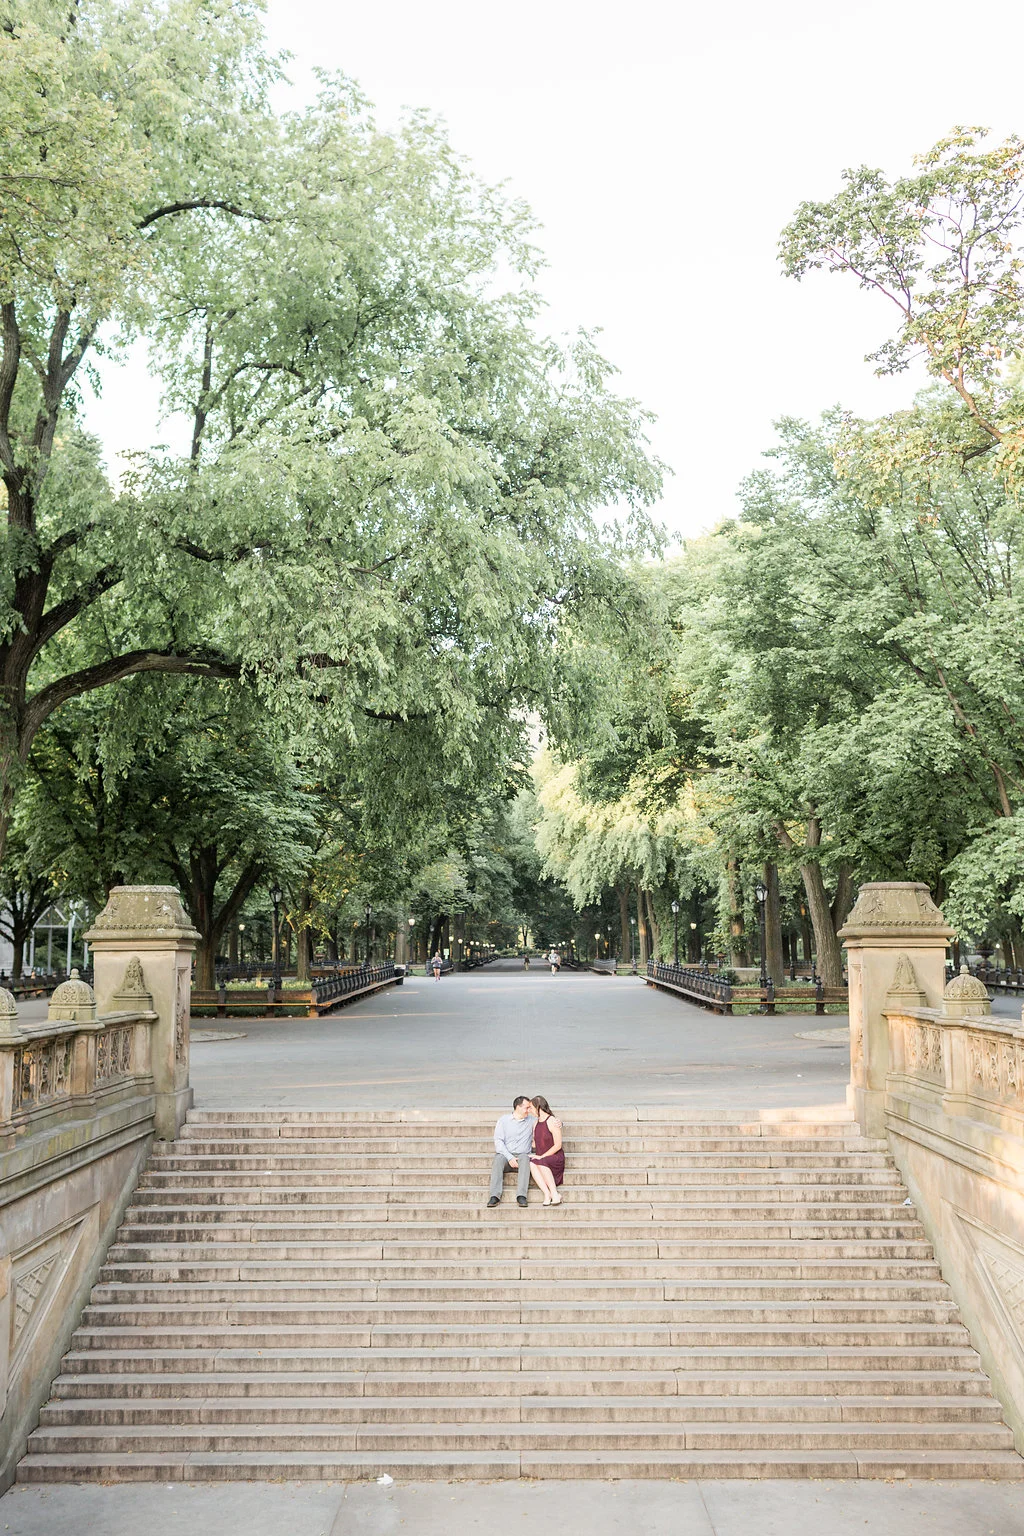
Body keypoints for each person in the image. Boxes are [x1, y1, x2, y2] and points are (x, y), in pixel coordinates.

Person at [487, 1096, 536, 1207]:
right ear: (518, 1107)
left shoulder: (531, 1120)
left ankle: (521, 1196)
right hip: (506, 1155)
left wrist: (558, 1123)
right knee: (498, 1159)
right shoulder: (503, 1120)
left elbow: (546, 1121)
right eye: (526, 1108)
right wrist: (510, 1157)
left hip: (523, 1155)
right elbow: (498, 1141)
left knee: (525, 1158)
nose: (529, 1110)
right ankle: (494, 1195)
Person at [529, 1095, 564, 1206]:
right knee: (532, 1163)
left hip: (555, 1157)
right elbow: (535, 1143)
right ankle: (547, 1193)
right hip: (541, 1157)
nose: (529, 1110)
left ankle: (555, 1193)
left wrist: (542, 1156)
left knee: (540, 1161)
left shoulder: (552, 1121)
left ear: (538, 1107)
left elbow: (558, 1145)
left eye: (531, 1107)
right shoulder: (535, 1123)